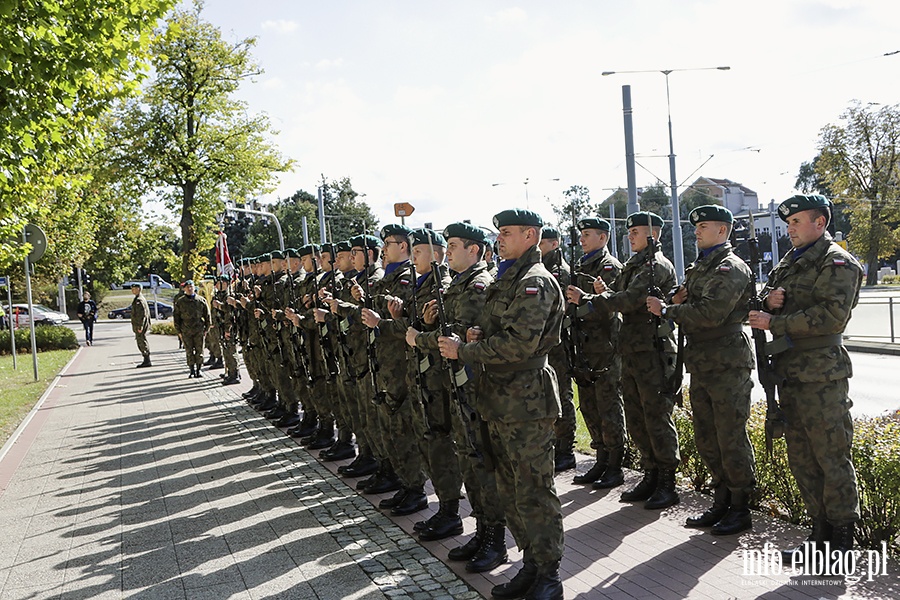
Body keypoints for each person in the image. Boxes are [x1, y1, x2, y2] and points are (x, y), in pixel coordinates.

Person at [439, 208, 565, 600]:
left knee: (534, 490)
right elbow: (500, 332)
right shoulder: (508, 278)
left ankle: (548, 574)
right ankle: (530, 564)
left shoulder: (534, 281)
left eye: (507, 233)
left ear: (531, 235)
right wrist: (478, 336)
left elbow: (519, 344)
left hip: (526, 401)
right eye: (499, 233)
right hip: (500, 399)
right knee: (509, 489)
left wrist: (466, 350)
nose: (500, 239)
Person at [748, 194, 863, 566]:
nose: (790, 229)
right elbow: (770, 296)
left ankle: (843, 538)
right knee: (802, 458)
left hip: (822, 375)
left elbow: (832, 316)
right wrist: (769, 301)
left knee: (831, 456)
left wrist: (775, 321)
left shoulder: (838, 262)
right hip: (790, 373)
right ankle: (819, 535)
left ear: (820, 223)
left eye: (797, 222)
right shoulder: (791, 261)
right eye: (789, 223)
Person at [646, 205, 756, 535]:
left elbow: (711, 313)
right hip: (704, 362)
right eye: (697, 226)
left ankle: (740, 507)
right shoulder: (702, 266)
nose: (696, 231)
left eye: (703, 226)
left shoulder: (729, 267)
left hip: (726, 363)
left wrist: (668, 309)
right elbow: (690, 301)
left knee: (730, 437)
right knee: (708, 438)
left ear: (722, 231)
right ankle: (721, 501)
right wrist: (676, 300)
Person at [410, 221, 508, 572]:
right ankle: (481, 529)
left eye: (453, 245)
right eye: (447, 245)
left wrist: (418, 337)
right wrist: (426, 323)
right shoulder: (458, 286)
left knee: (482, 460)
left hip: (476, 388)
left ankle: (495, 538)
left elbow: (460, 340)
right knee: (468, 457)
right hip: (458, 387)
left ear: (475, 250)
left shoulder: (478, 286)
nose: (447, 251)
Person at [590, 211, 680, 510]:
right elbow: (624, 296)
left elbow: (630, 300)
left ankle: (667, 480)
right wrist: (609, 295)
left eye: (637, 231)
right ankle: (650, 473)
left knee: (656, 417)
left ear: (655, 234)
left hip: (653, 351)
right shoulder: (636, 264)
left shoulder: (657, 265)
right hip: (632, 350)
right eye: (629, 232)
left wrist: (597, 300)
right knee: (638, 417)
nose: (630, 236)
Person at [564, 218, 626, 489]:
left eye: (587, 235)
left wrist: (583, 300)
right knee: (589, 406)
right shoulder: (580, 268)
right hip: (584, 348)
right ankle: (601, 459)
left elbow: (611, 305)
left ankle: (614, 465)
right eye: (581, 235)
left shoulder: (608, 267)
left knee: (608, 406)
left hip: (605, 349)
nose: (582, 240)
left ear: (603, 238)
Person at [539, 226, 577, 472]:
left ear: (553, 244)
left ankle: (566, 449)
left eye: (542, 243)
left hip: (559, 344)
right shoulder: (543, 268)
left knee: (562, 394)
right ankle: (556, 445)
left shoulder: (558, 271)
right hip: (548, 344)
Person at [173, 280, 211, 378]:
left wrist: (206, 329)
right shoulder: (180, 302)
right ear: (184, 289)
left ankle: (199, 369)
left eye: (191, 287)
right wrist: (179, 332)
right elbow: (176, 318)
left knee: (199, 351)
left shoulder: (201, 300)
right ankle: (191, 370)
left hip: (199, 330)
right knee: (189, 351)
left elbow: (207, 316)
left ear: (194, 288)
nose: (189, 289)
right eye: (187, 287)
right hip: (186, 330)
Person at [130, 283, 151, 367]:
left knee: (141, 341)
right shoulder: (138, 298)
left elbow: (141, 315)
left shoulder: (139, 300)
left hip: (140, 325)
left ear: (139, 289)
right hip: (140, 325)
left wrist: (140, 326)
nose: (132, 290)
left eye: (134, 288)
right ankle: (146, 359)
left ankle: (147, 360)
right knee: (141, 340)